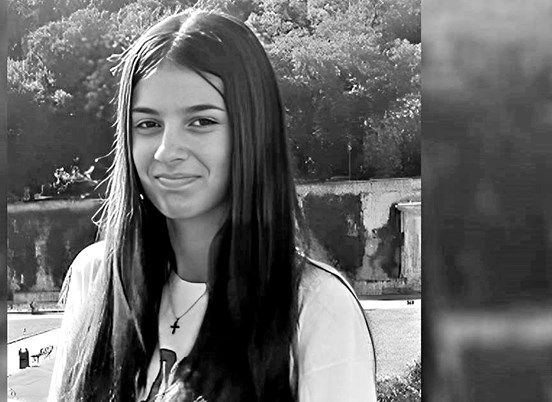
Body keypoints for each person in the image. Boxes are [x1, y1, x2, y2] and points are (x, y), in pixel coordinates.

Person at [48, 9, 376, 402]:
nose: (167, 151)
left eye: (201, 122)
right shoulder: (97, 277)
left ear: (253, 131)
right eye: (148, 124)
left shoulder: (316, 307)